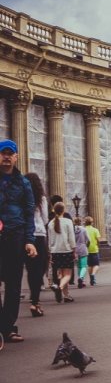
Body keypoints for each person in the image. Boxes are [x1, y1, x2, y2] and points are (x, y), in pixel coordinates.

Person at [0, 139, 38, 343]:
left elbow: (29, 212)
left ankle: (8, 328)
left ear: (15, 157)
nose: (6, 157)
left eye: (10, 153)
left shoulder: (24, 183)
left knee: (14, 285)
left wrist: (30, 240)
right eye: (3, 153)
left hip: (15, 236)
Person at [24, 173, 49, 317]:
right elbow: (45, 219)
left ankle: (33, 301)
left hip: (24, 236)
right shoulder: (41, 199)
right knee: (38, 270)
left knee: (29, 268)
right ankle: (35, 302)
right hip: (39, 236)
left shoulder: (21, 198)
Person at [47, 202, 76, 303]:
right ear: (63, 210)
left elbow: (50, 240)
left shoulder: (51, 223)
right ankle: (59, 287)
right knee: (68, 275)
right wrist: (74, 249)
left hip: (55, 252)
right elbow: (71, 237)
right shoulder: (68, 221)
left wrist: (50, 252)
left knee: (62, 274)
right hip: (66, 250)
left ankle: (66, 295)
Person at [83, 216, 101, 286]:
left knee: (90, 265)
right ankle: (93, 275)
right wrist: (98, 245)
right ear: (92, 222)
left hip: (86, 249)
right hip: (94, 249)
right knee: (96, 264)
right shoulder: (95, 230)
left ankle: (91, 279)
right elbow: (98, 240)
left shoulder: (83, 229)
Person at [72, 217, 89, 289]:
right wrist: (87, 246)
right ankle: (81, 278)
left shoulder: (72, 230)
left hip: (75, 249)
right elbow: (88, 240)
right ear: (81, 222)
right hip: (83, 247)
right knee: (84, 266)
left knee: (78, 266)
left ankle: (81, 280)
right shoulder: (84, 229)